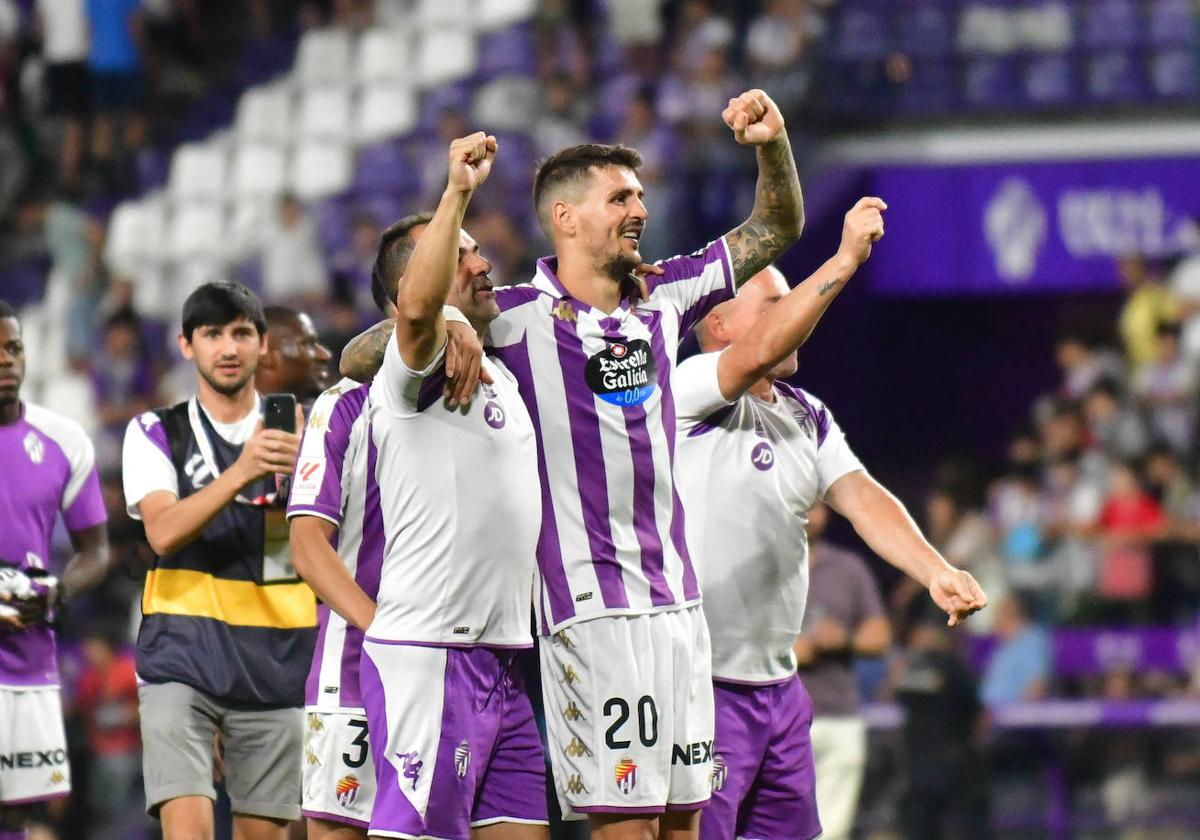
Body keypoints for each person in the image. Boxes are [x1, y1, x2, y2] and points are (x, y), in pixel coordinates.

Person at [340, 89, 806, 840]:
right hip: (588, 615)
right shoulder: (513, 315)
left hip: (679, 609)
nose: (640, 211)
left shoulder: (664, 294)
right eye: (620, 197)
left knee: (685, 825)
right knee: (627, 827)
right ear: (567, 218)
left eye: (641, 196)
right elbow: (363, 354)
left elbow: (776, 226)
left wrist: (771, 143)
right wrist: (455, 318)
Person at [671, 200, 987, 840]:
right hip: (703, 685)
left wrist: (936, 571)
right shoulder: (689, 388)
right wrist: (844, 260)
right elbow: (759, 350)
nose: (794, 319)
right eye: (773, 306)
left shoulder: (805, 412)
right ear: (721, 324)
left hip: (779, 688)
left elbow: (862, 496)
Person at [290, 133, 549, 840]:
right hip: (384, 650)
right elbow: (308, 547)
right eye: (463, 254)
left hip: (489, 653)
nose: (485, 260)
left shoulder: (497, 370)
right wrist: (384, 634)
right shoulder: (355, 400)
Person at [121, 282, 314, 840]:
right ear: (187, 345)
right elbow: (162, 532)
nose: (227, 348)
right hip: (181, 664)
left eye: (241, 333)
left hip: (276, 666)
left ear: (262, 346)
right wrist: (242, 472)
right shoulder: (156, 431)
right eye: (212, 335)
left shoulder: (308, 430)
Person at [0, 299, 112, 840]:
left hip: (27, 657)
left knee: (20, 815)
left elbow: (97, 551)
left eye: (14, 347)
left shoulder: (63, 440)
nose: (6, 360)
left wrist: (55, 594)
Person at [796, 503, 890, 840]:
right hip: (779, 718)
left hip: (838, 715)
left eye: (818, 505)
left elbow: (880, 635)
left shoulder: (847, 568)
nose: (811, 513)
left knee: (833, 832)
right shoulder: (763, 564)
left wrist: (843, 640)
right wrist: (786, 654)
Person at [256, 306, 333, 406]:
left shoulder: (329, 417)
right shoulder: (234, 420)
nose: (325, 355)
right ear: (265, 354)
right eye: (308, 344)